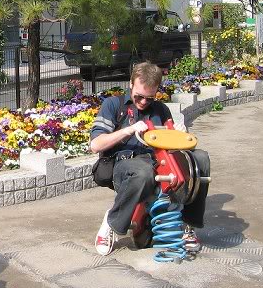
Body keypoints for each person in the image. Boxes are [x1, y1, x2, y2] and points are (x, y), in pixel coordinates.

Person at [89, 62, 210, 256]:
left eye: (150, 98)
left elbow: (176, 148)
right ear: (131, 84)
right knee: (143, 172)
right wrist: (129, 129)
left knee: (200, 159)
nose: (144, 102)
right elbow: (96, 145)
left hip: (157, 161)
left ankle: (188, 225)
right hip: (125, 163)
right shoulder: (114, 105)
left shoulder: (160, 110)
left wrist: (180, 135)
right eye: (139, 96)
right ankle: (112, 222)